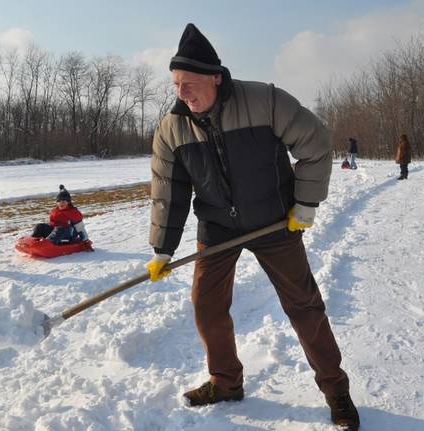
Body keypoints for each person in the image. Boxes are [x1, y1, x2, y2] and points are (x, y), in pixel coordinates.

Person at [146, 23, 359, 430]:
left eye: (189, 83)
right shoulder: (171, 129)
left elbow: (315, 143)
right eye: (175, 84)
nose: (181, 93)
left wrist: (305, 204)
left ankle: (336, 392)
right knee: (207, 307)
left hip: (274, 221)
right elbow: (167, 193)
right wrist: (162, 249)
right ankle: (225, 382)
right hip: (217, 228)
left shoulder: (265, 100)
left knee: (304, 307)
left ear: (216, 76)